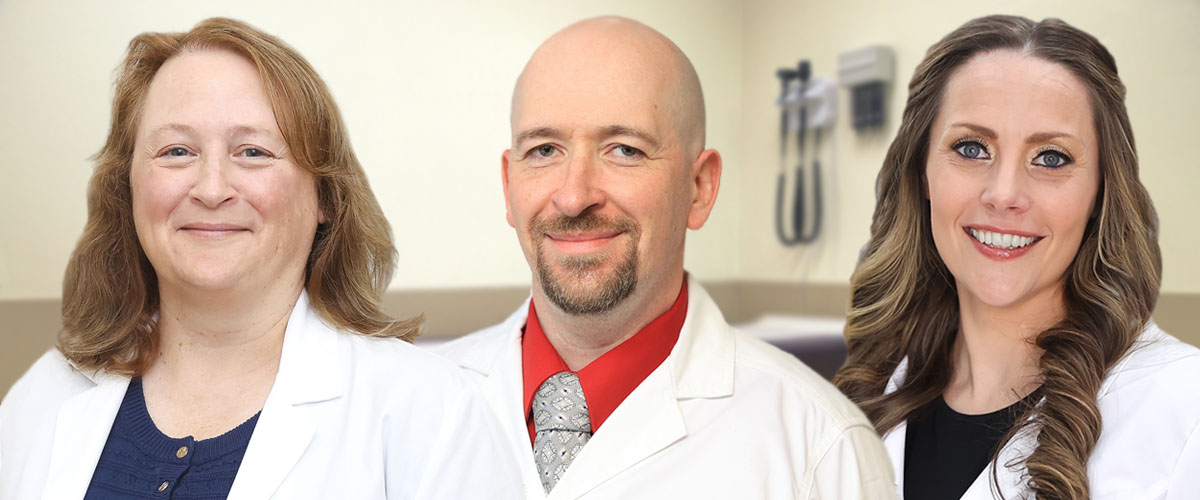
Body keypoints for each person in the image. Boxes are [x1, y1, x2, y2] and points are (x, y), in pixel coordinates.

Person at [0, 17, 520, 499]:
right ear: (128, 186)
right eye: (176, 151)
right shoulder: (43, 398)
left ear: (324, 197)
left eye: (253, 152)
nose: (210, 188)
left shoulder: (430, 414)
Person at [433, 16, 894, 500]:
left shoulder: (822, 450)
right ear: (509, 186)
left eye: (624, 150)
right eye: (544, 150)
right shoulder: (416, 405)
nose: (573, 197)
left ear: (700, 188)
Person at [833, 14, 1200, 500]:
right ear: (922, 174)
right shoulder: (860, 404)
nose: (1004, 194)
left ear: (1100, 194)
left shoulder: (1184, 407)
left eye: (1051, 157)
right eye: (971, 148)